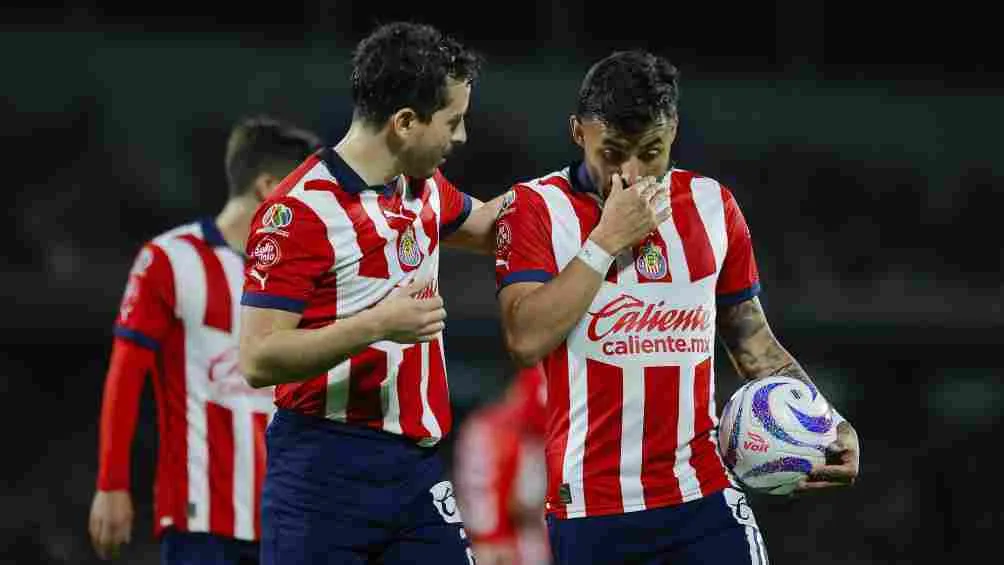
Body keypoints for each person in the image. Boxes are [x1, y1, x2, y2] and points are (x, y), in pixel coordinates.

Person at [493, 50, 861, 564]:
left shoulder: (713, 205)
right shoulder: (536, 207)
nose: (633, 172)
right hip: (591, 511)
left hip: (703, 499)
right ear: (578, 132)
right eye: (613, 152)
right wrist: (605, 242)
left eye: (652, 151)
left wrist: (827, 418)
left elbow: (753, 345)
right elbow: (525, 339)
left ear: (673, 133)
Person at [237, 22, 504, 565]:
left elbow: (491, 223)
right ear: (405, 123)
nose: (461, 138)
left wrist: (582, 189)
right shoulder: (300, 213)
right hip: (321, 474)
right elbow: (259, 357)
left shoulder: (422, 188)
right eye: (453, 122)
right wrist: (377, 325)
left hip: (416, 470)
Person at [89, 116, 321, 563]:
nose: (316, 211)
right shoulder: (169, 259)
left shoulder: (304, 279)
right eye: (306, 194)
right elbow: (125, 375)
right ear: (269, 188)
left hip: (291, 519)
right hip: (202, 517)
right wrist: (111, 483)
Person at [454, 366, 551, 565]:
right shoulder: (516, 432)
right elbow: (522, 503)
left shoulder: (478, 423)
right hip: (505, 544)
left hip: (476, 539)